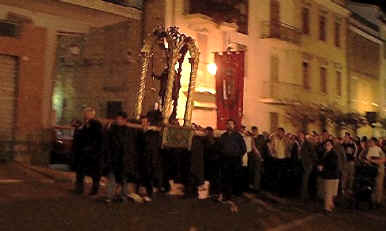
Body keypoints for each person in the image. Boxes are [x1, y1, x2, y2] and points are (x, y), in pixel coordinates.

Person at [73, 107, 104, 195]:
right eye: (85, 113)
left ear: (92, 114)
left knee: (94, 173)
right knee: (80, 171)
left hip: (92, 153)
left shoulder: (96, 124)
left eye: (87, 113)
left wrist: (92, 148)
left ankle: (94, 190)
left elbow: (97, 138)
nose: (85, 115)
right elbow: (80, 136)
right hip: (83, 153)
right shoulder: (83, 124)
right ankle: (79, 189)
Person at [218, 119, 246, 202]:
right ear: (226, 125)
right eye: (228, 124)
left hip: (235, 160)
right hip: (225, 160)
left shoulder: (238, 136)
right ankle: (227, 195)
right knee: (226, 177)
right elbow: (220, 147)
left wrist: (238, 155)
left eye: (231, 124)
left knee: (236, 177)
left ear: (234, 126)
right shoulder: (223, 136)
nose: (229, 126)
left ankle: (236, 194)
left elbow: (243, 148)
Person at [137, 116, 162, 202]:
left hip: (150, 159)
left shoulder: (152, 134)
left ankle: (149, 194)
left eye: (145, 122)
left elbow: (152, 147)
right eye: (142, 122)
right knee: (144, 176)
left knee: (149, 177)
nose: (143, 124)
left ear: (148, 123)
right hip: (143, 158)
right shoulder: (140, 133)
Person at [318, 140, 340, 214]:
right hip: (328, 175)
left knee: (328, 192)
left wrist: (323, 167)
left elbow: (333, 165)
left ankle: (327, 209)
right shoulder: (326, 153)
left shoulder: (333, 154)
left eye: (329, 144)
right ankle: (330, 205)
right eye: (326, 144)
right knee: (329, 192)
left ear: (332, 146)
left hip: (331, 176)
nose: (327, 146)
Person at [367, 137, 385, 207]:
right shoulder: (370, 149)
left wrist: (373, 161)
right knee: (373, 185)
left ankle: (378, 201)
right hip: (372, 169)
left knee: (379, 185)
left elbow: (383, 159)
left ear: (374, 142)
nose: (369, 143)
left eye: (370, 142)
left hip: (379, 169)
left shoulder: (379, 149)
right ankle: (373, 200)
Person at [300, 133, 316, 201]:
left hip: (307, 164)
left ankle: (305, 195)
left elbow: (313, 154)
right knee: (305, 180)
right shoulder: (304, 144)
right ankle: (304, 195)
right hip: (305, 164)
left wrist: (311, 162)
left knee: (305, 180)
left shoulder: (308, 144)